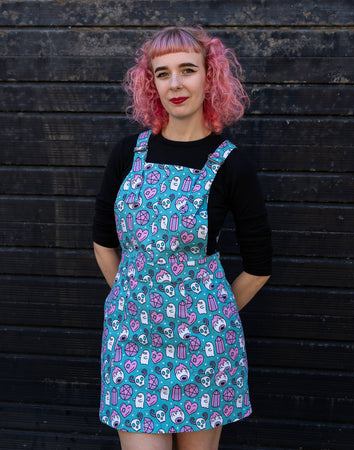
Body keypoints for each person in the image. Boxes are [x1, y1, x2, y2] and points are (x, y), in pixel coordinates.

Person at [93, 25, 272, 450]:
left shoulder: (231, 164)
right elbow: (103, 240)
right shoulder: (128, 153)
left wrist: (209, 312)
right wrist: (131, 298)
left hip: (203, 346)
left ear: (210, 77)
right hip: (133, 341)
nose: (175, 84)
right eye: (162, 73)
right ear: (150, 83)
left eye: (187, 69)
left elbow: (259, 265)